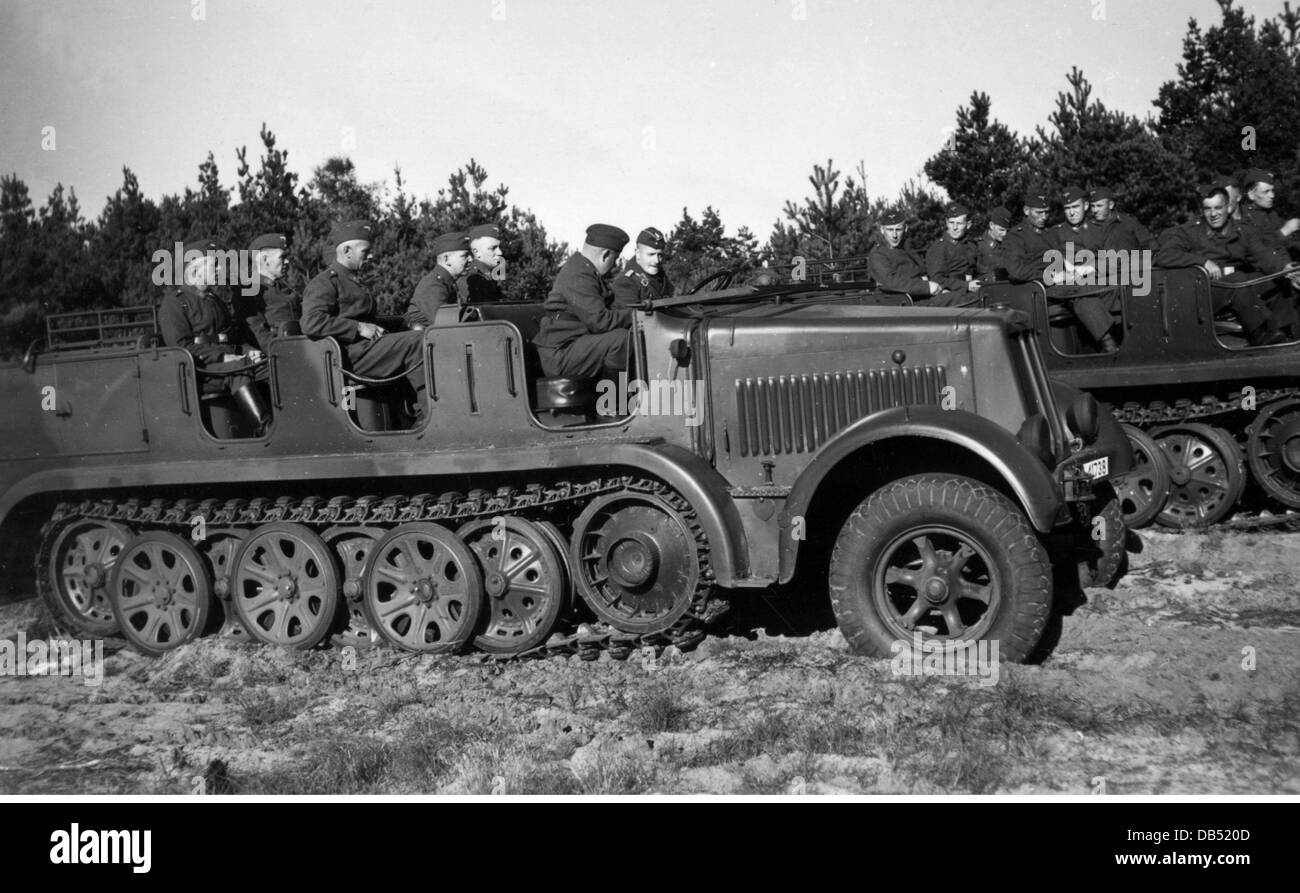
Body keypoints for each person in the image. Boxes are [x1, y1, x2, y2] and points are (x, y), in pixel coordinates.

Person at [301, 220, 427, 423]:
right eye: (365, 251)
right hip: (350, 356)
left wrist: (403, 323)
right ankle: (427, 415)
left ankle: (412, 413)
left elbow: (367, 319)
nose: (371, 256)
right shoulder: (324, 283)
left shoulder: (352, 280)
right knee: (416, 343)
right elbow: (311, 322)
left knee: (420, 336)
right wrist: (358, 327)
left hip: (366, 351)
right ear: (347, 251)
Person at [1155, 183, 1300, 346]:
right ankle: (1261, 334)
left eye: (1218, 207)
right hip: (1205, 293)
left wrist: (1284, 268)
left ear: (1228, 207)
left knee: (1276, 280)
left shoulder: (1242, 231)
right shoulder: (1188, 232)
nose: (1213, 214)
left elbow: (1263, 254)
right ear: (1202, 211)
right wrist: (1202, 261)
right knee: (1237, 281)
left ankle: (1290, 334)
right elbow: (1165, 255)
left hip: (1238, 288)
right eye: (1207, 209)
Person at [159, 238, 270, 429]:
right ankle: (266, 428)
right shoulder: (174, 304)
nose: (220, 270)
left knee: (268, 365)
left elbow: (231, 336)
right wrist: (222, 356)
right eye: (215, 265)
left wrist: (249, 349)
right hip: (200, 369)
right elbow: (181, 348)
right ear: (194, 270)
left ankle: (288, 421)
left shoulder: (213, 300)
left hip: (226, 364)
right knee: (238, 369)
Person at [1002, 190, 1121, 350]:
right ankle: (1109, 343)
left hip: (1059, 284)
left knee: (1107, 288)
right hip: (1037, 287)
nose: (1044, 217)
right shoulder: (1016, 237)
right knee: (1081, 292)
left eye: (1046, 212)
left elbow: (1061, 256)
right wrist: (1051, 277)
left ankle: (1112, 334)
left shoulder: (1048, 233)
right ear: (1026, 211)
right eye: (1039, 212)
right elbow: (1016, 270)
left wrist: (1070, 270)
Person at [533, 224, 632, 379]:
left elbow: (611, 306)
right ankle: (616, 401)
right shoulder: (579, 275)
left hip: (572, 346)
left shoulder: (586, 270)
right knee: (620, 339)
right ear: (605, 255)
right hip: (560, 354)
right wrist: (635, 315)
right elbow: (600, 322)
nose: (615, 265)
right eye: (616, 259)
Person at [867, 210, 954, 304]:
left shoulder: (907, 247)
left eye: (898, 229)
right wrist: (927, 287)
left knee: (959, 297)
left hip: (919, 297)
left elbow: (922, 272)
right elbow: (891, 282)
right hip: (898, 303)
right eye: (890, 230)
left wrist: (939, 289)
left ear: (905, 228)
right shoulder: (878, 254)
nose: (894, 235)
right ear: (882, 230)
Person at [242, 232, 299, 350]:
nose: (287, 261)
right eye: (282, 257)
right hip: (279, 354)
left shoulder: (283, 287)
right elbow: (259, 334)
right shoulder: (251, 291)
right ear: (265, 259)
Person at [405, 231, 470, 327]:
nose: (471, 259)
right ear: (446, 259)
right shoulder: (432, 286)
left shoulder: (448, 283)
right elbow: (447, 324)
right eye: (465, 256)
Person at [924, 201, 982, 300]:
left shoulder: (971, 245)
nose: (954, 228)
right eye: (951, 223)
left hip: (971, 292)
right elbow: (936, 279)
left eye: (959, 223)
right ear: (946, 223)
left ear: (968, 225)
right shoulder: (939, 248)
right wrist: (966, 286)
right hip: (951, 296)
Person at [1237, 168, 1300, 254]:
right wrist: (1285, 230)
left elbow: (1288, 243)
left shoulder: (1270, 212)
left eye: (1272, 190)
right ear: (1251, 195)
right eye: (1266, 192)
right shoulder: (1244, 218)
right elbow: (1258, 251)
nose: (1272, 195)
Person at [612, 227, 674, 307]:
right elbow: (631, 317)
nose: (657, 260)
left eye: (660, 255)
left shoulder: (661, 277)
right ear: (638, 253)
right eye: (651, 254)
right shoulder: (625, 282)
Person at [1088, 186, 1153, 252]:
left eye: (1099, 206)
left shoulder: (1129, 223)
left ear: (1111, 205)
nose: (1095, 210)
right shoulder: (1087, 227)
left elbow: (1151, 245)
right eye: (1092, 206)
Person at [458, 223, 506, 304]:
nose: (500, 252)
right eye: (493, 248)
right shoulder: (471, 281)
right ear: (476, 252)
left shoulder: (490, 278)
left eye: (499, 247)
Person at [1050, 186, 1096, 253]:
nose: (1071, 213)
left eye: (1075, 207)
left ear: (1086, 206)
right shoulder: (1055, 233)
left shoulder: (1098, 230)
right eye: (1067, 208)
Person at [977, 206, 1012, 281]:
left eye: (1007, 230)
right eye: (1001, 230)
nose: (1004, 234)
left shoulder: (1009, 244)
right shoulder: (978, 246)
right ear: (991, 225)